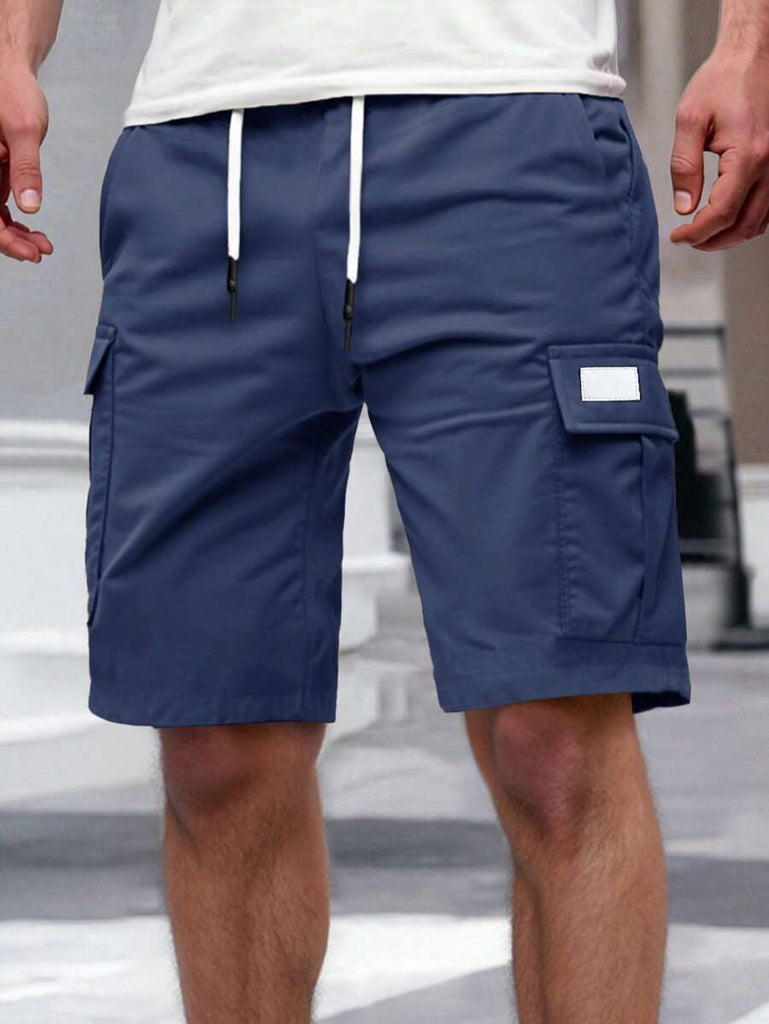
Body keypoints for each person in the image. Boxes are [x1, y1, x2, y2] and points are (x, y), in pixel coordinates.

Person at [2, 1, 768, 1020]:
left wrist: (749, 41)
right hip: (202, 148)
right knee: (214, 747)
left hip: (511, 126)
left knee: (554, 733)